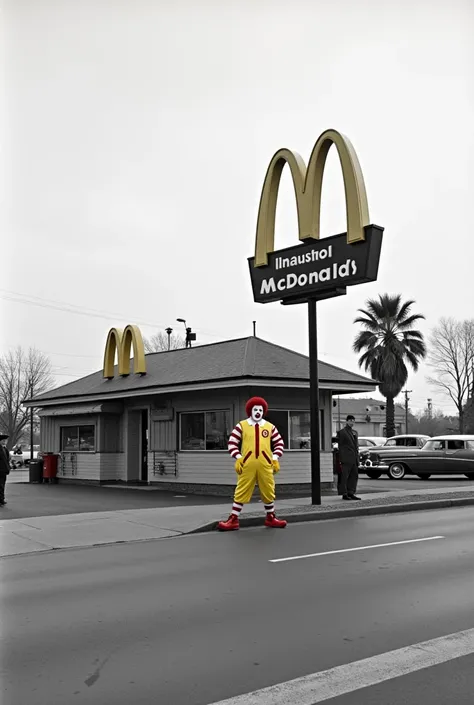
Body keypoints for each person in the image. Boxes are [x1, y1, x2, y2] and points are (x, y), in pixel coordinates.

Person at [217, 396, 287, 531]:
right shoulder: (242, 425)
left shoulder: (269, 426)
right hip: (247, 464)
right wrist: (238, 457)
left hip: (265, 465)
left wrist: (275, 458)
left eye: (260, 410)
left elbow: (279, 443)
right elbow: (232, 443)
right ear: (250, 410)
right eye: (255, 409)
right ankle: (233, 519)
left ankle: (270, 517)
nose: (258, 412)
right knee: (241, 489)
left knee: (268, 490)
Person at [336, 415, 361, 501]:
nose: (352, 422)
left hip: (354, 458)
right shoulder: (342, 432)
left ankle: (351, 492)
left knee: (354, 476)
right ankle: (344, 493)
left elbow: (356, 445)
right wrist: (341, 457)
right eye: (350, 420)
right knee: (344, 476)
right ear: (346, 421)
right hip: (346, 458)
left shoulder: (355, 432)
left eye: (353, 421)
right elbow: (340, 445)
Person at [0, 434, 11, 506]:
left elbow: (7, 459)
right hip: (0, 470)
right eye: (3, 440)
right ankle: (0, 500)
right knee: (0, 485)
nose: (5, 442)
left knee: (2, 485)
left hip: (4, 470)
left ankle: (1, 499)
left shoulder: (5, 449)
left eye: (5, 440)